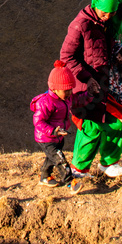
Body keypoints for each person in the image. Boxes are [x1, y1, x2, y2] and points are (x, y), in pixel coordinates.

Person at [60, 0, 122, 178]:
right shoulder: (79, 25)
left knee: (117, 123)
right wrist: (88, 79)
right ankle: (79, 169)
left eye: (113, 13)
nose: (108, 17)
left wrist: (113, 56)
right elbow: (66, 56)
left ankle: (108, 164)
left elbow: (98, 51)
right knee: (90, 128)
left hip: (103, 86)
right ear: (95, 4)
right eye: (105, 12)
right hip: (85, 88)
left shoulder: (104, 25)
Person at [30, 60, 86, 192]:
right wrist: (53, 131)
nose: (68, 93)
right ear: (54, 89)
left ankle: (44, 176)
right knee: (60, 159)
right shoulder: (46, 102)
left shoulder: (65, 98)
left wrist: (89, 95)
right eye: (65, 91)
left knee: (52, 158)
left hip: (58, 136)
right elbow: (38, 122)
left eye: (70, 90)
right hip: (46, 138)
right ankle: (70, 183)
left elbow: (77, 99)